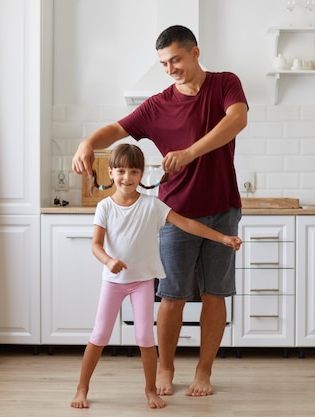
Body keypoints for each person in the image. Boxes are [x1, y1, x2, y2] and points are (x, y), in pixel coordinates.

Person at [71, 25, 248, 398]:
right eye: (164, 63)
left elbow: (237, 120)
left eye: (176, 60)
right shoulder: (157, 104)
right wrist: (88, 142)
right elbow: (116, 129)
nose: (170, 69)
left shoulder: (225, 83)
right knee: (172, 295)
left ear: (195, 53)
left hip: (223, 208)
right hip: (174, 213)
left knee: (216, 294)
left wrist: (189, 152)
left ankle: (204, 372)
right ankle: (165, 367)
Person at [70, 144, 242, 410]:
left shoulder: (153, 206)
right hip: (113, 283)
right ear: (111, 171)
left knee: (145, 339)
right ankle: (82, 388)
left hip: (141, 284)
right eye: (121, 171)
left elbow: (187, 223)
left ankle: (150, 390)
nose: (127, 177)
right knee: (100, 335)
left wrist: (222, 237)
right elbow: (95, 244)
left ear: (142, 175)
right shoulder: (104, 207)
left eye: (134, 171)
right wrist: (108, 261)